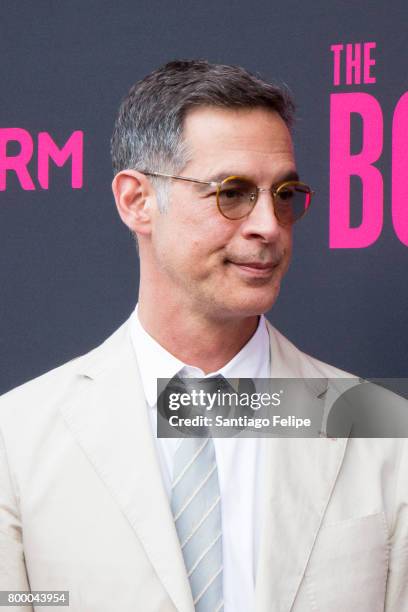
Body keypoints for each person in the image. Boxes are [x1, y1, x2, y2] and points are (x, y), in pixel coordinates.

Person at [0, 60, 406, 612]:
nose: (268, 224)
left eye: (284, 194)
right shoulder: (18, 439)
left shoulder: (379, 428)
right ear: (137, 201)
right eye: (232, 192)